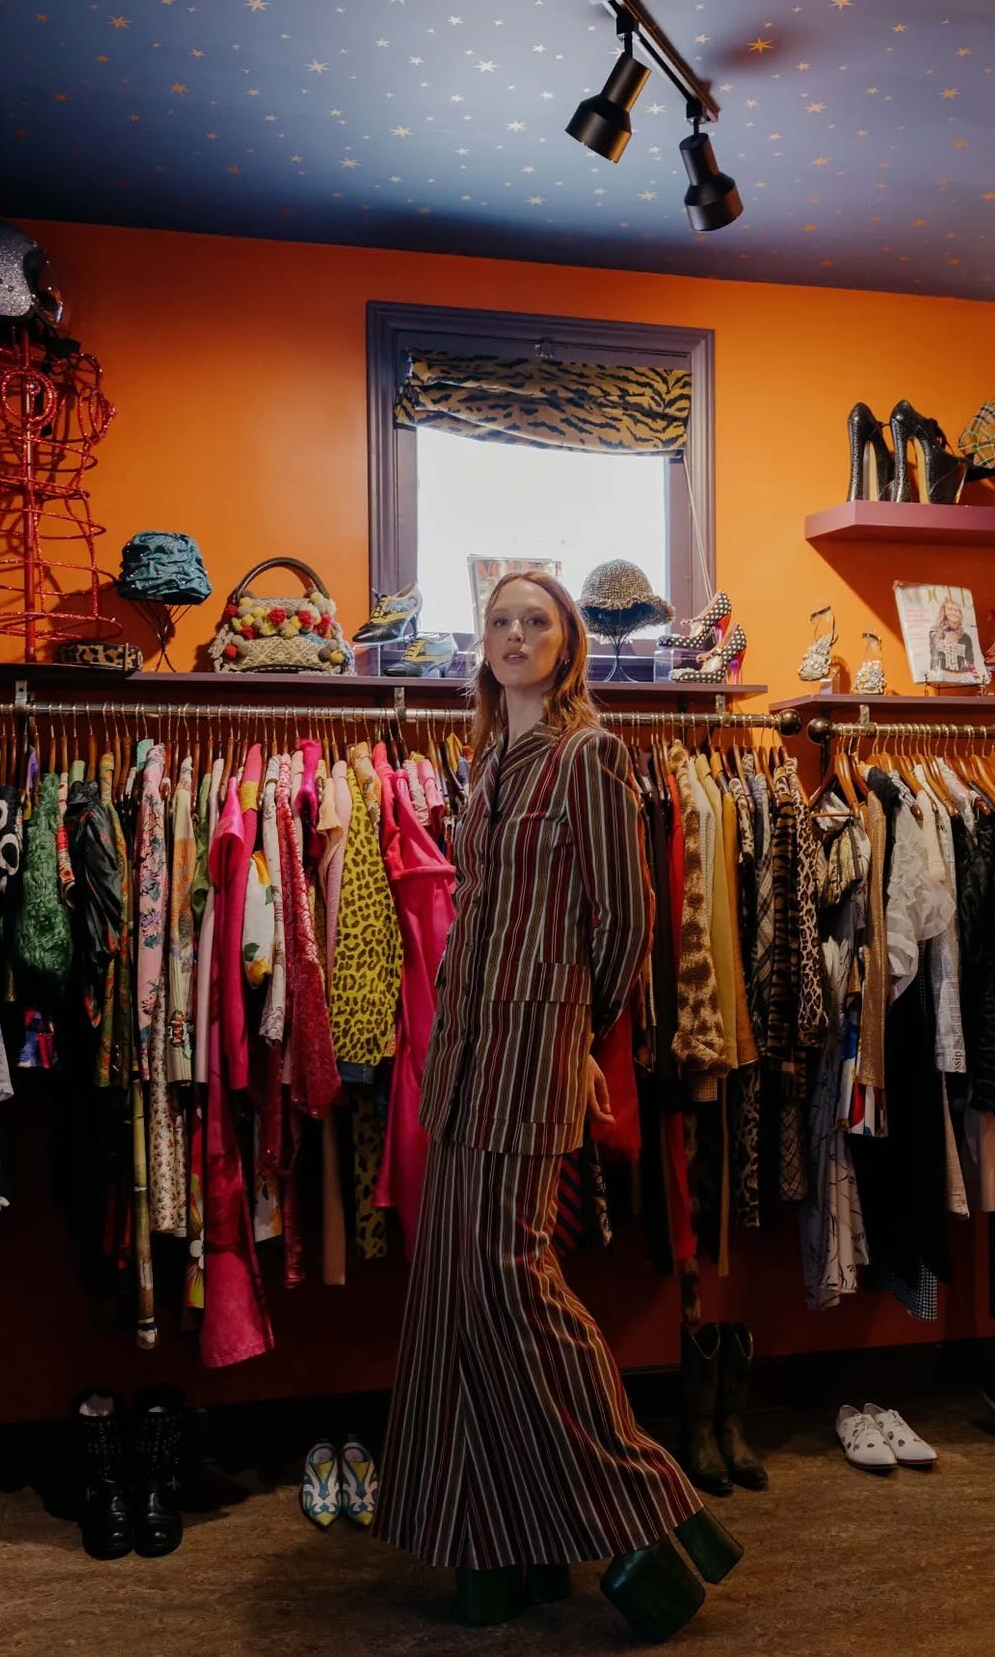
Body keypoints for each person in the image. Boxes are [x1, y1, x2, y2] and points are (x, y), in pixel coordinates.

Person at [372, 571, 741, 1640]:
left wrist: (582, 1039)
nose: (516, 634)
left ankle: (647, 1504)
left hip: (533, 1045)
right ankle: (492, 1547)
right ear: (480, 643)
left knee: (506, 1271)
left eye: (537, 620)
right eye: (499, 620)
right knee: (448, 1291)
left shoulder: (592, 754)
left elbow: (622, 922)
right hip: (462, 1048)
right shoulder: (483, 759)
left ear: (569, 641)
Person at [928, 596, 978, 678]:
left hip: (962, 678)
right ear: (944, 612)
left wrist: (978, 679)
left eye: (956, 610)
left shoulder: (966, 637)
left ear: (960, 614)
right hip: (943, 677)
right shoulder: (935, 633)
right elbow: (934, 656)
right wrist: (933, 672)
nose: (954, 612)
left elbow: (970, 662)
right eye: (950, 609)